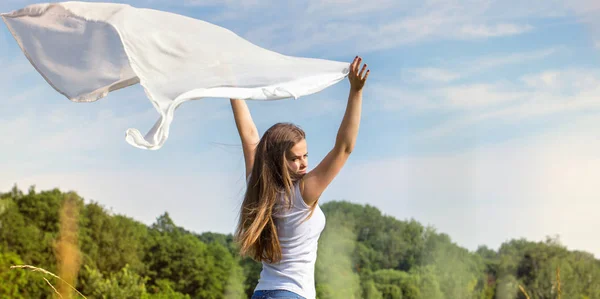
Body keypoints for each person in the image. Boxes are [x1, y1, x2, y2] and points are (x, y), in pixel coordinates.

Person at [230, 56, 369, 299]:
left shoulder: (259, 186)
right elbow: (344, 148)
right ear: (276, 160)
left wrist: (231, 87)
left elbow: (250, 137)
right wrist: (356, 92)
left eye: (305, 155)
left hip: (262, 292)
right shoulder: (302, 193)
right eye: (294, 158)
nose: (303, 163)